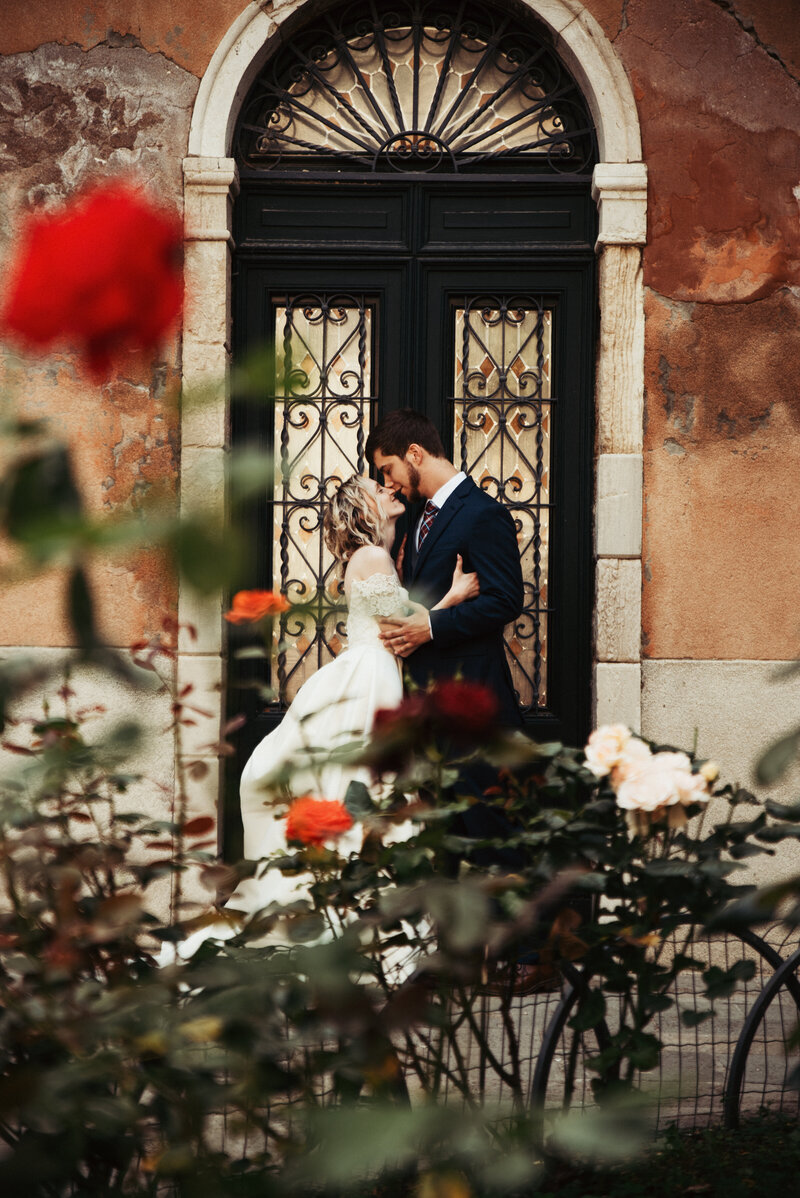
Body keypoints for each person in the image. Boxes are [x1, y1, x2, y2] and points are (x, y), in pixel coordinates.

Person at [163, 474, 480, 960]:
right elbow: (402, 627)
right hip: (369, 680)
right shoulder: (371, 558)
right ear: (363, 508)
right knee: (364, 787)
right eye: (379, 489)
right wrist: (455, 597)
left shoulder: (373, 559)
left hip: (371, 675)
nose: (390, 490)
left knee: (358, 786)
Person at [364, 409, 524, 731]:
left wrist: (432, 626)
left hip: (471, 703)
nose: (388, 484)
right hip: (423, 708)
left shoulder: (483, 514)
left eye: (388, 469)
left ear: (414, 453)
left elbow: (506, 600)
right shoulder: (415, 517)